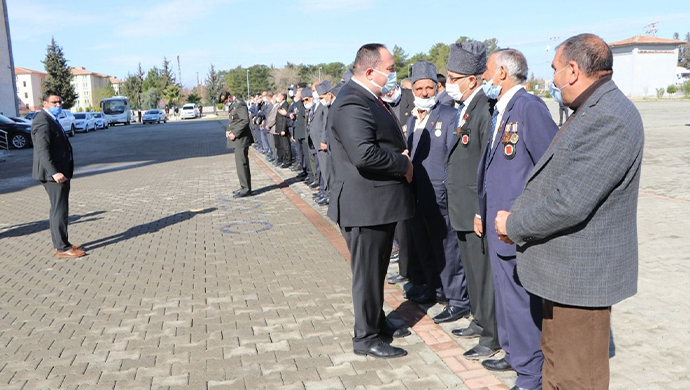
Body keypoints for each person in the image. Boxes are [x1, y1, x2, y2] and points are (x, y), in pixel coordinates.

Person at [494, 34, 644, 390]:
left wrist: (514, 225)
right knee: (558, 369)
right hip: (564, 277)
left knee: (577, 378)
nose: (553, 79)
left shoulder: (610, 116)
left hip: (582, 281)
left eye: (555, 70)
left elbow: (569, 202)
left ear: (573, 70)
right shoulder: (592, 108)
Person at [477, 49, 558, 390]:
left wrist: (524, 216)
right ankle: (514, 353)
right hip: (496, 223)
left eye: (486, 71)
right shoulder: (501, 109)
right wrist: (482, 207)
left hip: (516, 228)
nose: (482, 77)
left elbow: (552, 166)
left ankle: (530, 374)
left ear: (501, 73)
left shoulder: (529, 108)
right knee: (506, 295)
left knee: (521, 300)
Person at [327, 43, 414, 359]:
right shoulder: (353, 102)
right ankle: (365, 338)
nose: (393, 75)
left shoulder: (367, 98)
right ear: (369, 71)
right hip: (365, 205)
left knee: (375, 271)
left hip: (375, 204)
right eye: (390, 69)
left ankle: (377, 322)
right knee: (367, 274)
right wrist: (402, 163)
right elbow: (364, 155)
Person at [444, 41, 501, 360]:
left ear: (472, 79)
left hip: (476, 209)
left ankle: (492, 336)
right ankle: (479, 320)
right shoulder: (465, 106)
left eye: (454, 77)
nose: (448, 84)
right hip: (460, 207)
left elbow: (485, 165)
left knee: (484, 272)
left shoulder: (484, 108)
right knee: (471, 269)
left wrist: (482, 208)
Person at [404, 61, 471, 325]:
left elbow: (456, 158)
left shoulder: (449, 115)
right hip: (417, 195)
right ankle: (436, 290)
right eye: (418, 88)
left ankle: (458, 300)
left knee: (448, 249)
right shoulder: (412, 117)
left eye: (428, 87)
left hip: (441, 196)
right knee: (425, 247)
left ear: (437, 87)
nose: (423, 92)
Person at [31, 90, 85, 259]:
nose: (58, 105)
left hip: (59, 171)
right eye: (54, 102)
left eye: (60, 102)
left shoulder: (51, 119)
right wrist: (54, 172)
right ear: (45, 103)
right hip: (53, 174)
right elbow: (42, 151)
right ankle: (62, 248)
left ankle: (64, 243)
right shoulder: (42, 121)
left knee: (60, 209)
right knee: (58, 210)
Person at [223, 91, 254, 198]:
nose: (225, 103)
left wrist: (235, 133)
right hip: (237, 139)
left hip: (241, 138)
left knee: (242, 164)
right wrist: (229, 130)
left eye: (225, 101)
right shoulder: (234, 104)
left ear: (229, 97)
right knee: (239, 164)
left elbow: (245, 120)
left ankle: (246, 189)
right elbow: (233, 121)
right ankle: (243, 186)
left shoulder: (239, 103)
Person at [311, 80, 332, 204]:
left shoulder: (326, 106)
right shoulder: (320, 104)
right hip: (317, 141)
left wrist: (324, 140)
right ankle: (325, 192)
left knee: (327, 170)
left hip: (322, 142)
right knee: (323, 170)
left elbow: (325, 124)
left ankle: (329, 193)